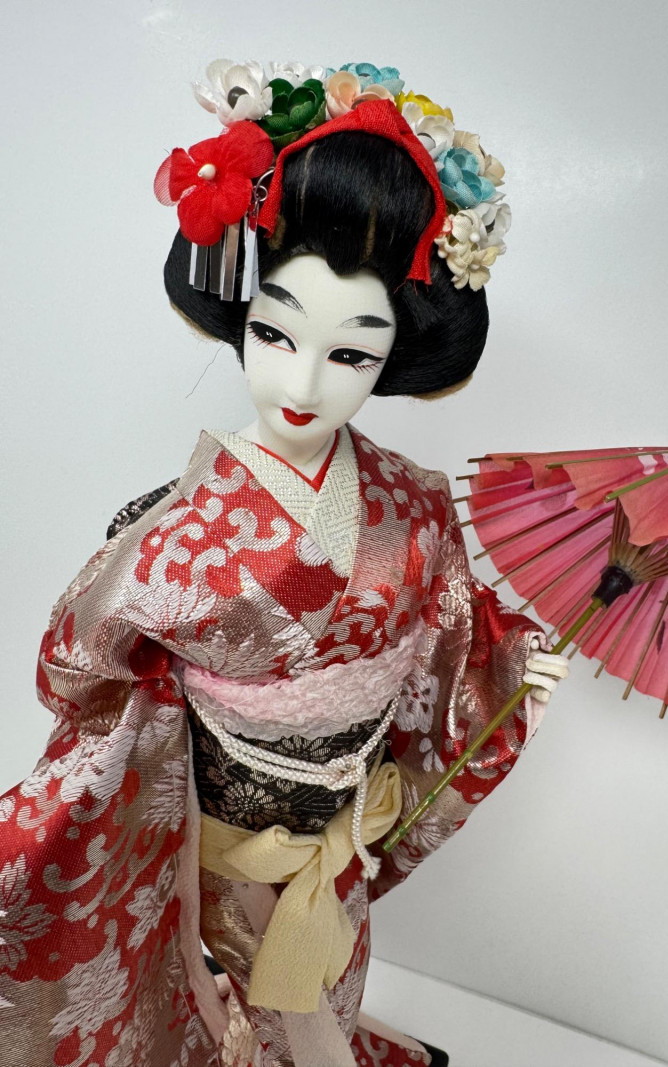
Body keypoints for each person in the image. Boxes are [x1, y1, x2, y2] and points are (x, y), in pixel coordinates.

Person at [0, 61, 569, 1067]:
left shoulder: (414, 504)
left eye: (350, 353)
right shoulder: (174, 531)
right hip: (214, 860)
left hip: (336, 850)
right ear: (238, 316)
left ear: (394, 357)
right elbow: (79, 672)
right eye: (272, 332)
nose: (301, 380)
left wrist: (514, 663)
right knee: (223, 1021)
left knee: (324, 995)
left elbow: (456, 648)